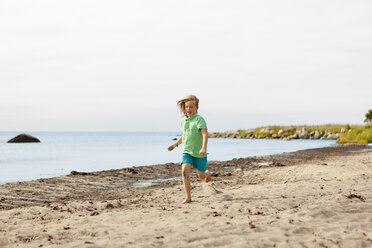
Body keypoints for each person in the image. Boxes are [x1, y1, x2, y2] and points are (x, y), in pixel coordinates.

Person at [168, 95, 211, 204]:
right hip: (187, 151)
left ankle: (206, 174)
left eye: (191, 107)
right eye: (187, 107)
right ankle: (188, 197)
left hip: (199, 152)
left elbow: (205, 134)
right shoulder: (183, 120)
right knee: (184, 171)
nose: (188, 109)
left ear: (196, 108)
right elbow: (185, 135)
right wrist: (175, 145)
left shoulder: (199, 119)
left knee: (201, 176)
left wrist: (203, 148)